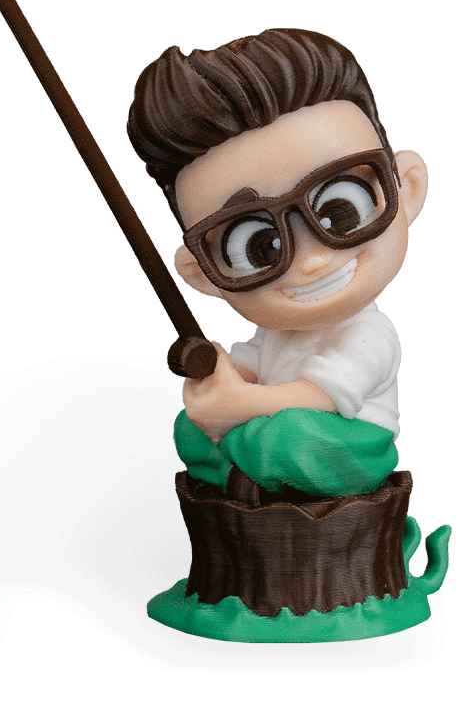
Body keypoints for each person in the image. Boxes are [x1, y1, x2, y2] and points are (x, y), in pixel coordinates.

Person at [127, 27, 428, 500]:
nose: (311, 262)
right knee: (193, 428)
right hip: (276, 425)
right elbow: (250, 370)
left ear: (406, 187)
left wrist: (241, 404)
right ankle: (249, 484)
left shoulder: (370, 334)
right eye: (258, 246)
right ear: (202, 274)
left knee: (290, 435)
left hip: (350, 444)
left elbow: (321, 397)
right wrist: (220, 382)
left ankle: (250, 473)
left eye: (340, 210)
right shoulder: (274, 336)